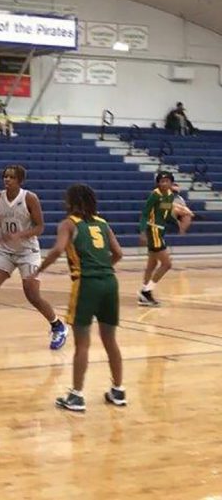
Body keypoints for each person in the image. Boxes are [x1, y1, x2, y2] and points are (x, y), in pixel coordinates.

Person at [37, 184, 126, 412]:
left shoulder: (68, 224)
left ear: (71, 202)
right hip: (109, 282)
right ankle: (118, 390)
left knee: (82, 344)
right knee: (110, 341)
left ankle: (76, 395)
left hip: (86, 284)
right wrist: (103, 267)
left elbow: (58, 250)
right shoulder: (103, 223)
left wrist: (39, 269)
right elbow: (118, 253)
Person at [0, 165, 68, 351]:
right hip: (6, 252)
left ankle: (58, 326)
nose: (7, 179)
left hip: (28, 251)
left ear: (20, 180)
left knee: (32, 294)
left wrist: (19, 235)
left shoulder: (29, 198)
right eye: (5, 176)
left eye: (11, 177)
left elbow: (40, 227)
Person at [137, 171, 192, 307]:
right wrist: (143, 232)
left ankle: (144, 293)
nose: (165, 183)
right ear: (158, 183)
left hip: (160, 230)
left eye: (167, 181)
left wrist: (177, 223)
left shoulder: (169, 196)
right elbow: (144, 214)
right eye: (162, 181)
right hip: (153, 230)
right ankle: (146, 292)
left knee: (152, 265)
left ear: (171, 183)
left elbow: (165, 215)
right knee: (167, 264)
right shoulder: (155, 195)